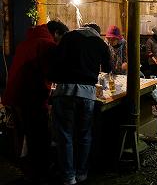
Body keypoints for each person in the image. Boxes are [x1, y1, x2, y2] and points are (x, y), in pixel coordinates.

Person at [2, 20, 68, 183]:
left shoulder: (27, 42)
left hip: (14, 96)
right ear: (57, 33)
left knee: (26, 135)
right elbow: (52, 73)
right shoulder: (47, 44)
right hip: (30, 98)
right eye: (61, 39)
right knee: (40, 136)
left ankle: (28, 170)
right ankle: (41, 174)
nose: (60, 43)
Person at [51, 23, 112, 185]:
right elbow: (108, 67)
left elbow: (55, 61)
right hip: (87, 93)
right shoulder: (100, 42)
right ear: (97, 32)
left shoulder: (67, 37)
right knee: (84, 134)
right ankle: (82, 173)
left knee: (65, 135)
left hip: (64, 91)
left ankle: (68, 176)